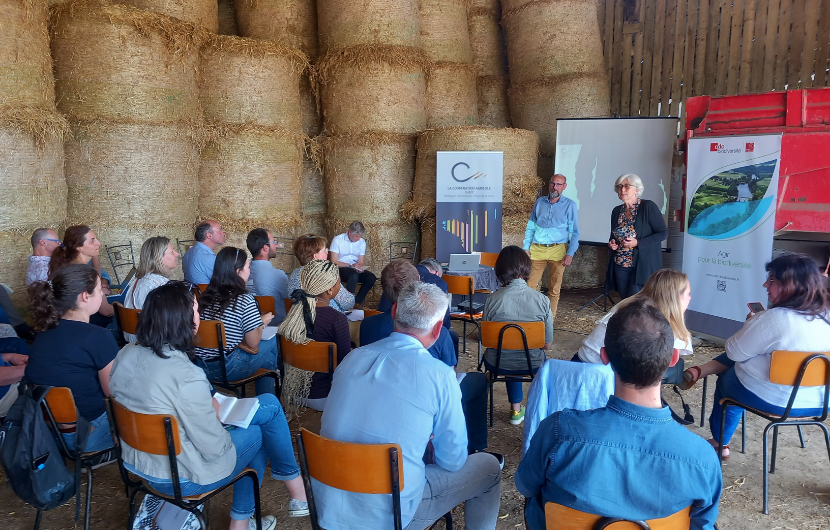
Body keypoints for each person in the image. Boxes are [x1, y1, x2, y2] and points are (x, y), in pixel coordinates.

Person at [109, 282, 308, 530]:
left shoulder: (125, 354)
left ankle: (276, 503)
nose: (199, 316)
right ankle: (256, 514)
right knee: (259, 430)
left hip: (140, 464)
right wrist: (226, 424)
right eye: (195, 310)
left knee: (263, 414)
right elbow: (214, 449)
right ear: (183, 320)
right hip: (182, 477)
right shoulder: (186, 376)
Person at [515, 298, 722, 530]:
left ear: (604, 357)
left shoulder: (558, 431)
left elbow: (526, 486)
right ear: (673, 359)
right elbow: (703, 524)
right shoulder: (702, 458)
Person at [316, 282, 502, 530]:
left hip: (330, 507)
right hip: (391, 514)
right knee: (489, 468)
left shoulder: (352, 358)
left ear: (393, 313)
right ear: (438, 330)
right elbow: (453, 461)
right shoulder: (439, 375)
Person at [681, 253, 830, 458]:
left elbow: (733, 351)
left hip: (775, 399)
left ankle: (720, 443)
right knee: (746, 360)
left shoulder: (775, 318)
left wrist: (750, 324)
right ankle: (701, 371)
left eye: (772, 280)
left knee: (732, 373)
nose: (764, 285)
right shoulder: (825, 314)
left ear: (791, 284)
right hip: (820, 401)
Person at [361, 261, 490, 454]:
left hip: (381, 400)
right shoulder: (437, 332)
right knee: (478, 380)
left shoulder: (367, 325)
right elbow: (449, 379)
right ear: (418, 284)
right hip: (426, 404)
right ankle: (476, 448)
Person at [25, 264, 118, 453]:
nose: (102, 295)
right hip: (88, 435)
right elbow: (115, 393)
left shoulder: (43, 333)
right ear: (85, 296)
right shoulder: (98, 336)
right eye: (100, 290)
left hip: (50, 434)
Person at [575, 268, 693, 383]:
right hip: (603, 375)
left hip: (578, 364)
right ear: (676, 297)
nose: (690, 298)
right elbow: (662, 361)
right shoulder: (661, 321)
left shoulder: (630, 303)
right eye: (688, 293)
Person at [482, 246, 553, 426]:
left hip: (498, 362)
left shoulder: (492, 300)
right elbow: (547, 344)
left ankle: (515, 409)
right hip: (533, 362)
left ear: (500, 269)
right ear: (527, 267)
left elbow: (485, 340)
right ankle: (537, 411)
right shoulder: (543, 300)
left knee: (508, 351)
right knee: (526, 355)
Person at [196, 247, 278, 396]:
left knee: (268, 357)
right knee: (273, 343)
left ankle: (265, 397)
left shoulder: (204, 296)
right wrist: (260, 322)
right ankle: (266, 400)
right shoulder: (244, 300)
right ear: (238, 271)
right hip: (228, 368)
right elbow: (253, 343)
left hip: (199, 366)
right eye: (248, 266)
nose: (250, 270)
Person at [278, 260, 351, 412]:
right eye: (339, 282)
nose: (340, 285)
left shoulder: (293, 313)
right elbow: (345, 366)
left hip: (293, 392)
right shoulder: (337, 319)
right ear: (330, 289)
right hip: (324, 396)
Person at [523, 174, 580, 321]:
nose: (555, 187)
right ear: (549, 184)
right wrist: (526, 246)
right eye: (553, 183)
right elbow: (531, 226)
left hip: (558, 250)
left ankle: (549, 320)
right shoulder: (540, 202)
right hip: (537, 249)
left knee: (554, 289)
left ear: (564, 186)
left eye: (559, 184)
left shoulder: (570, 205)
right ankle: (530, 317)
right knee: (529, 286)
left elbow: (575, 232)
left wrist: (570, 253)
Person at [605, 173, 668, 299]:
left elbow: (663, 233)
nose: (622, 189)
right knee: (625, 302)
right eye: (619, 186)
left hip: (641, 266)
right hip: (620, 265)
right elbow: (614, 235)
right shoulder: (617, 211)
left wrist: (638, 243)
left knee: (636, 303)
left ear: (637, 190)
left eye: (627, 186)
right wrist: (612, 243)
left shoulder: (648, 207)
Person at [47, 225, 115, 326]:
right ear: (79, 247)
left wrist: (94, 254)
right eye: (92, 240)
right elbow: (106, 311)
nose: (98, 243)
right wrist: (118, 306)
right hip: (89, 323)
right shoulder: (83, 273)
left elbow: (96, 275)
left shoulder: (67, 266)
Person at [121, 236, 180, 341]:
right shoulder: (161, 286)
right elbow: (171, 324)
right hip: (150, 343)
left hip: (133, 341)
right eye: (172, 251)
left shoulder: (137, 281)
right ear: (158, 257)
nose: (177, 254)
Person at [288, 234, 354, 314]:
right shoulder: (324, 274)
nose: (327, 253)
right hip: (328, 320)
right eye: (324, 250)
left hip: (301, 321)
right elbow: (348, 303)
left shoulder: (294, 274)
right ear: (315, 256)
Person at [245, 228, 289, 326]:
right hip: (277, 329)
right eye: (274, 242)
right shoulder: (278, 275)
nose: (276, 245)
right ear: (265, 248)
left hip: (251, 327)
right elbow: (292, 301)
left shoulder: (242, 273)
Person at [330, 221, 376, 310]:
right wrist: (351, 265)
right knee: (353, 275)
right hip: (340, 269)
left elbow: (360, 261)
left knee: (371, 277)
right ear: (350, 232)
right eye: (356, 236)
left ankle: (357, 301)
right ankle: (348, 303)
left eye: (360, 236)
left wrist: (359, 267)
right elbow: (334, 261)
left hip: (354, 268)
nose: (358, 239)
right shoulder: (338, 240)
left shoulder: (362, 242)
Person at [182, 220, 226, 285]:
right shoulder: (207, 257)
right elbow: (225, 282)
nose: (223, 233)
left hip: (194, 293)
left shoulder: (189, 252)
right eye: (219, 230)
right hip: (207, 293)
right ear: (209, 235)